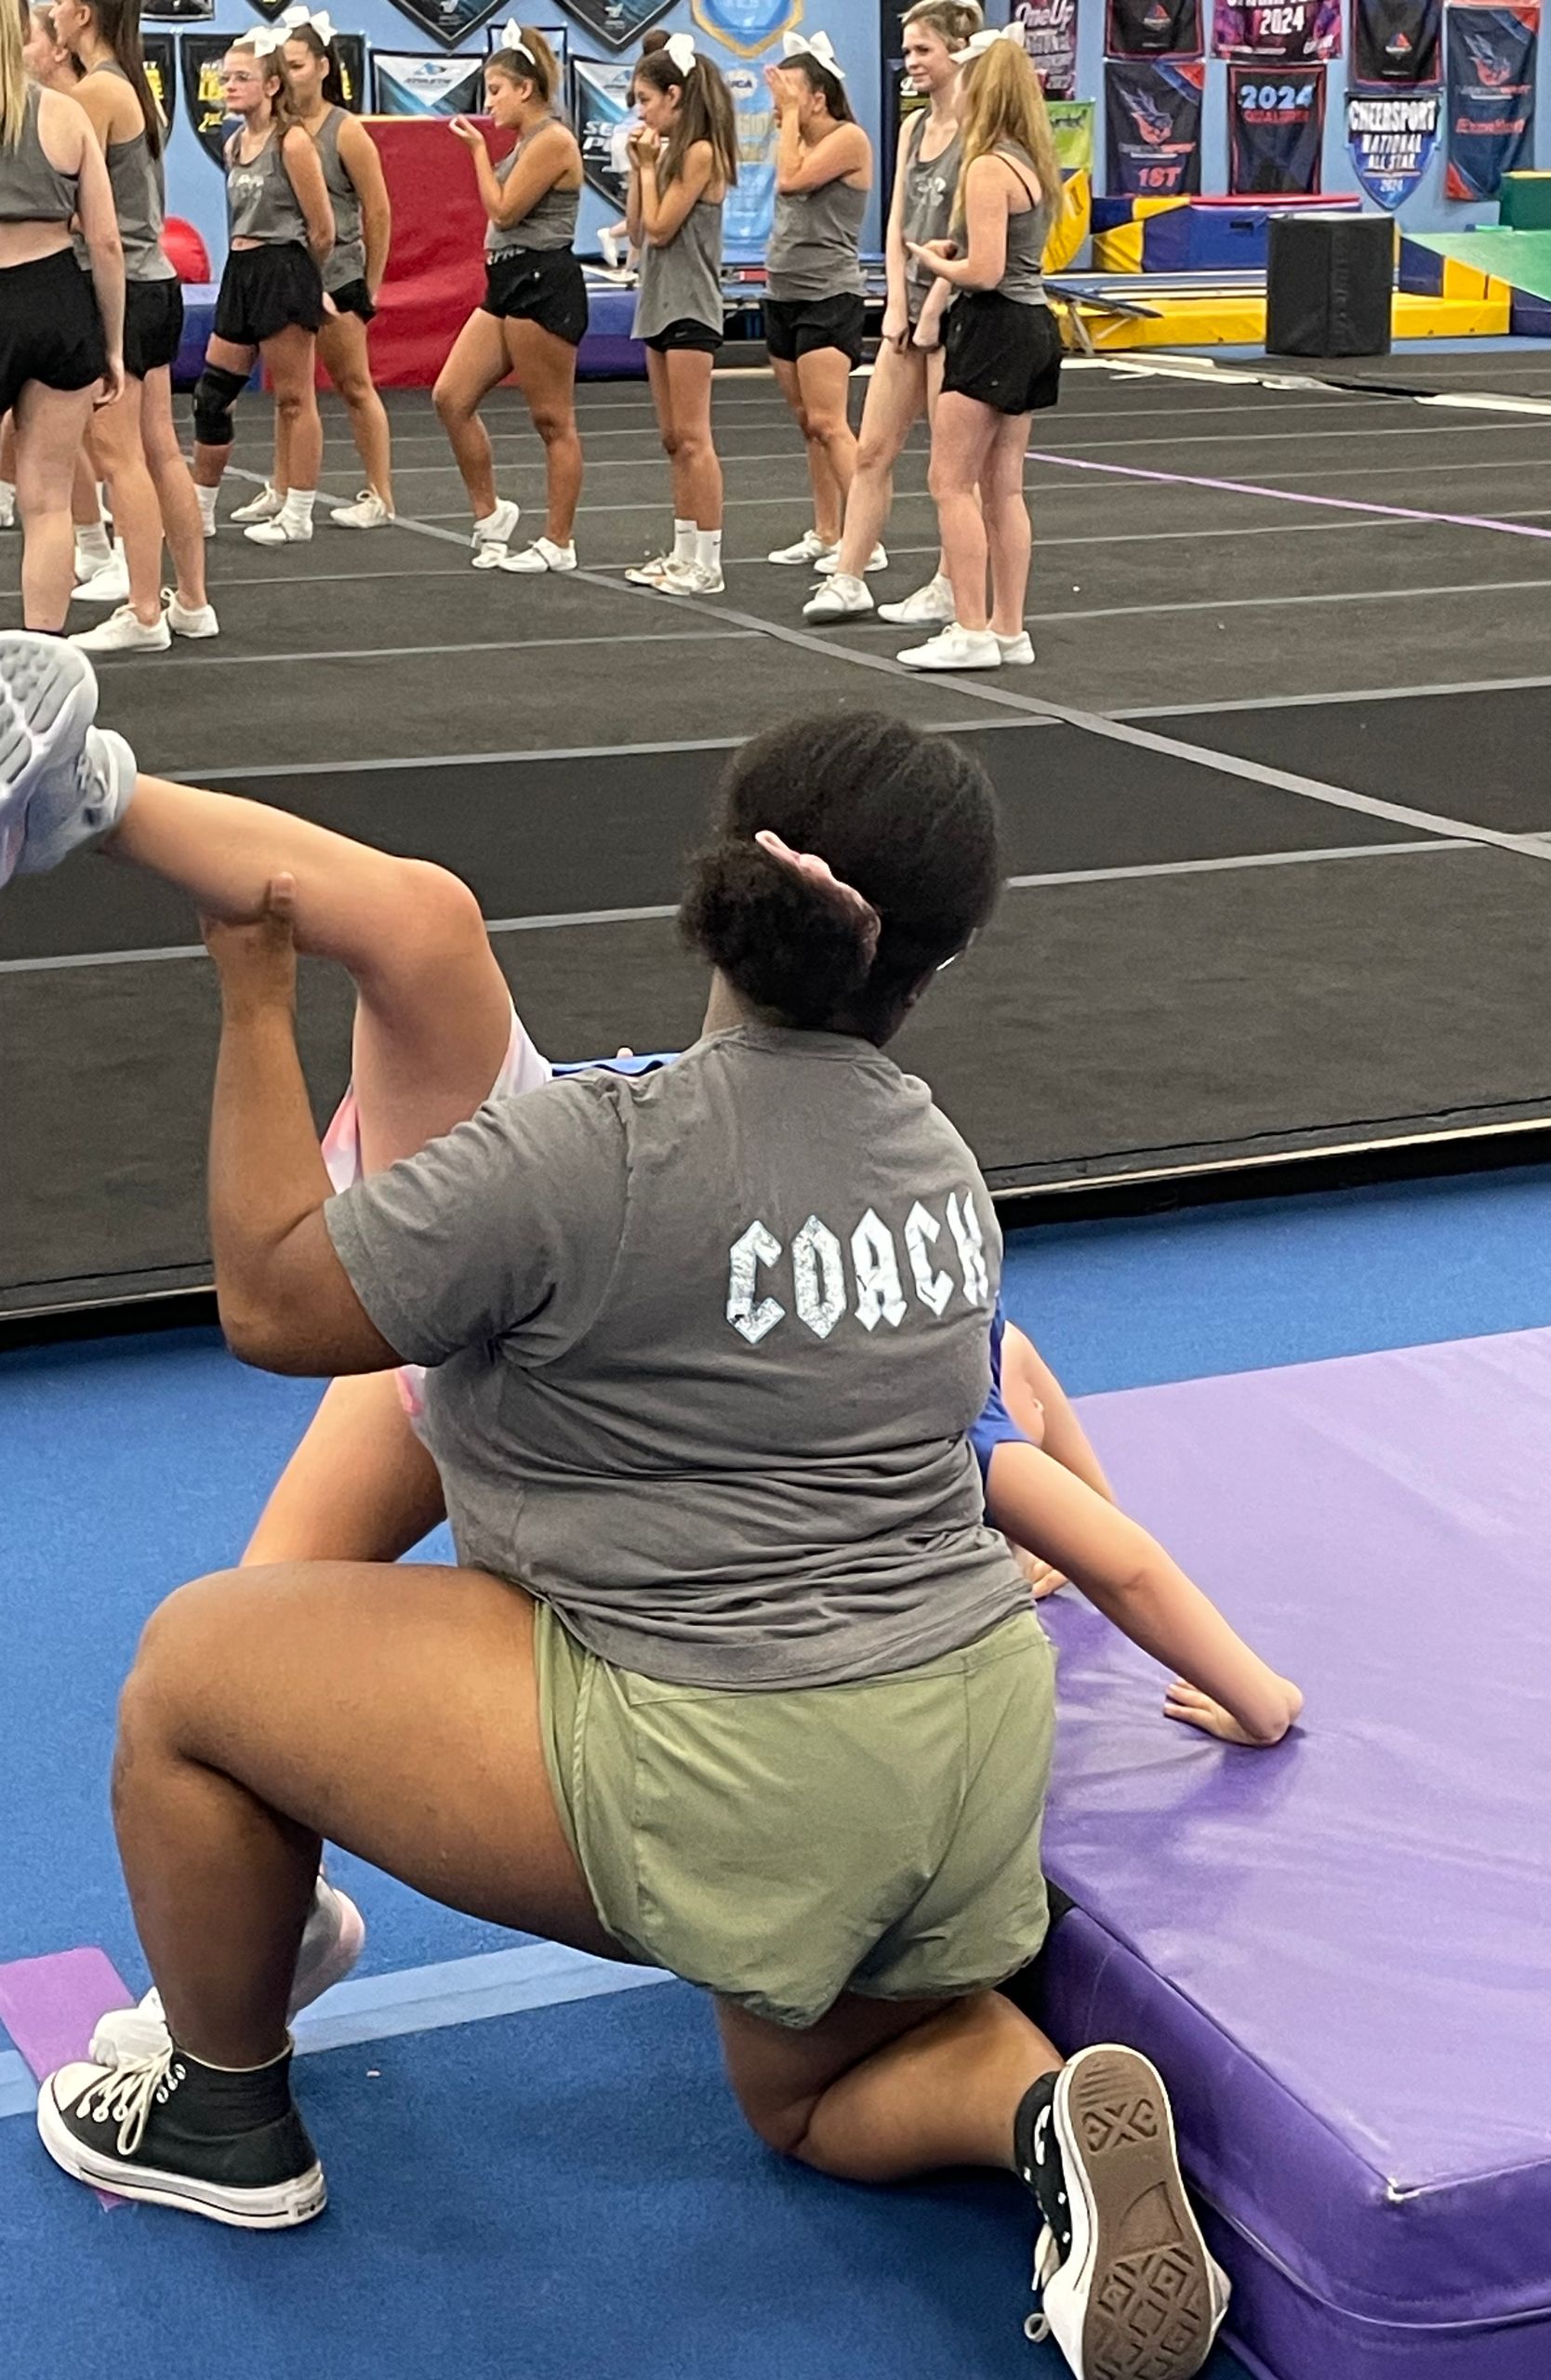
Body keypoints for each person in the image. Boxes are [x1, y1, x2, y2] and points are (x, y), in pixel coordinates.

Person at [2, 642, 1300, 2380]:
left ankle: (216, 2115)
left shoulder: (595, 1152)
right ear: (933, 966)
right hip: (964, 1759)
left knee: (193, 1669)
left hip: (738, 1774)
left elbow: (271, 1302)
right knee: (811, 2096)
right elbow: (1021, 1462)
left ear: (719, 891)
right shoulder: (940, 1167)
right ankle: (1041, 2113)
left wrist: (251, 1003)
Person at [802, 0, 979, 631]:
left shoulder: (978, 128)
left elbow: (965, 234)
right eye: (906, 51)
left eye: (922, 50)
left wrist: (931, 308)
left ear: (958, 50)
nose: (911, 62)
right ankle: (849, 576)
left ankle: (950, 582)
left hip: (956, 309)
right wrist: (896, 302)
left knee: (951, 468)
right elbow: (899, 217)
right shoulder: (913, 127)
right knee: (873, 447)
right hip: (908, 308)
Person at [54, 0, 216, 654]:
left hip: (120, 286)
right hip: (158, 281)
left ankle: (145, 609)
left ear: (82, 14)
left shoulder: (96, 92)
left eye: (57, 5)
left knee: (121, 457)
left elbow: (74, 207)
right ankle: (193, 602)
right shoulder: (131, 85)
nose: (50, 14)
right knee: (159, 450)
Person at [899, 25, 1061, 672]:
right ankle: (1008, 629)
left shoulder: (989, 166)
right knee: (1004, 488)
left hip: (995, 328)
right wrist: (957, 254)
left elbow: (986, 272)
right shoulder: (1030, 162)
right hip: (1031, 325)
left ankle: (970, 628)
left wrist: (932, 262)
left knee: (950, 481)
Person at [433, 23, 586, 575]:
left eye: (496, 90)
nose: (488, 103)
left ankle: (558, 541)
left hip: (543, 282)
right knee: (451, 397)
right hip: (506, 280)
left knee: (552, 419)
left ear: (525, 88)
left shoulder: (553, 141)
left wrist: (477, 152)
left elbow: (503, 210)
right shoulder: (526, 142)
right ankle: (491, 513)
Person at [246, 7, 394, 535]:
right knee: (289, 392)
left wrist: (370, 284)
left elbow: (378, 209)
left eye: (298, 65)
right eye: (283, 67)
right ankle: (281, 487)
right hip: (289, 274)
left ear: (323, 67)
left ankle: (380, 494)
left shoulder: (344, 131)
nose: (290, 76)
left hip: (338, 273)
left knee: (353, 384)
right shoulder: (278, 129)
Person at [0, 0, 122, 633]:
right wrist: (114, 346)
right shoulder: (65, 113)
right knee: (47, 502)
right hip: (55, 297)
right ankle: (43, 648)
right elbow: (105, 242)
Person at [191, 31, 331, 549]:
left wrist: (305, 284)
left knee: (294, 399)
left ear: (272, 85)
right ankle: (200, 510)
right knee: (212, 396)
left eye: (242, 78)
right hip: (241, 270)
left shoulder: (291, 143)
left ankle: (298, 513)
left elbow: (323, 229)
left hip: (283, 269)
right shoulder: (234, 144)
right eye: (225, 77)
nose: (229, 85)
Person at [622, 33, 736, 597]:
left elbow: (664, 227)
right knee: (672, 438)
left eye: (646, 100)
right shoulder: (667, 154)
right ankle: (683, 550)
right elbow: (637, 231)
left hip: (690, 305)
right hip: (658, 303)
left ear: (674, 96)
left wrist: (649, 169)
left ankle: (708, 561)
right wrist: (637, 168)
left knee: (694, 437)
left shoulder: (700, 153)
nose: (641, 112)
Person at [762, 31, 872, 573]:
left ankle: (864, 540)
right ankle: (827, 531)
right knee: (809, 423)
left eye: (789, 93)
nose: (779, 102)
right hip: (783, 292)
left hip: (828, 294)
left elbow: (790, 182)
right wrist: (788, 117)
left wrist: (787, 118)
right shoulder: (797, 139)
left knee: (831, 423)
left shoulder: (849, 139)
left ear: (818, 98)